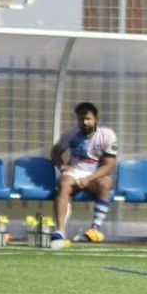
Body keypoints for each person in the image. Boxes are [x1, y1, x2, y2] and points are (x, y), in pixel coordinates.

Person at [49, 102, 119, 248]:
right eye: (81, 119)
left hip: (95, 175)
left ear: (96, 119)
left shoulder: (107, 135)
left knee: (106, 184)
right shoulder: (71, 134)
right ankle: (60, 231)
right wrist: (62, 167)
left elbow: (109, 166)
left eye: (88, 119)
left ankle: (95, 228)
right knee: (64, 183)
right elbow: (55, 152)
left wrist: (88, 179)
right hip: (74, 172)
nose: (84, 123)